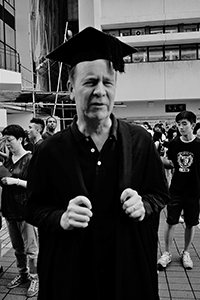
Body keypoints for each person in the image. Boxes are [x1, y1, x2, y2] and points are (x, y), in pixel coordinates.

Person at [26, 26, 169, 300]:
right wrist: (61, 218)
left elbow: (159, 194)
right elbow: (33, 208)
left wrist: (144, 205)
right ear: (71, 88)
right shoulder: (48, 151)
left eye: (108, 82)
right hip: (72, 276)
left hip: (127, 273)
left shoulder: (140, 141)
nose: (100, 91)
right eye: (90, 82)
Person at [157, 111, 200, 271]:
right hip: (176, 189)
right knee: (171, 221)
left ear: (193, 125)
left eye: (184, 124)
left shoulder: (199, 145)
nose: (181, 127)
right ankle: (167, 253)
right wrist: (159, 161)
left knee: (191, 223)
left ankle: (186, 252)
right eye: (179, 124)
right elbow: (171, 163)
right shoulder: (174, 144)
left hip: (194, 191)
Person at [0, 125, 39, 297]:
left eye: (10, 140)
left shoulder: (30, 159)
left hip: (25, 210)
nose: (6, 143)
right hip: (9, 210)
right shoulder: (7, 160)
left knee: (31, 249)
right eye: (4, 140)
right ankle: (22, 274)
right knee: (17, 248)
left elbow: (37, 185)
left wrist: (15, 181)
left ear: (21, 139)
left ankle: (35, 278)